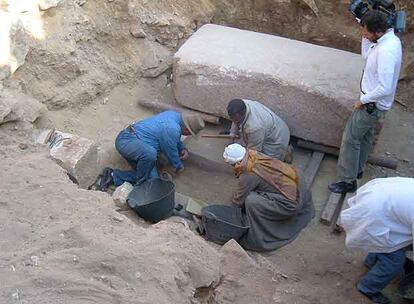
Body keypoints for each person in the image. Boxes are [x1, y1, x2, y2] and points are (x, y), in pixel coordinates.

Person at [329, 10, 402, 194]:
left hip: (371, 105)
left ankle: (347, 181)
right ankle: (358, 169)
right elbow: (366, 55)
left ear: (377, 31)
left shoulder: (386, 51)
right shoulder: (386, 41)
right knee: (366, 136)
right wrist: (364, 28)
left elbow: (384, 87)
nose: (363, 34)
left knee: (351, 139)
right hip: (376, 105)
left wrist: (362, 100)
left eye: (365, 31)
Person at [222, 143, 314, 251]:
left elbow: (237, 201)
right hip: (298, 189)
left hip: (290, 204)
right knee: (252, 194)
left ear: (236, 163)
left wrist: (227, 216)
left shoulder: (248, 174)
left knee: (251, 201)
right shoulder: (255, 154)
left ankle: (261, 234)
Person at [340, 177, 414, 304]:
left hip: (381, 196)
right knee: (395, 260)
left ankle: (372, 262)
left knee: (386, 243)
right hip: (377, 212)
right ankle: (368, 287)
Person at [98, 111, 205, 191]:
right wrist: (178, 166)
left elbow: (173, 140)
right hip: (127, 142)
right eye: (189, 133)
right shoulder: (172, 129)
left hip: (136, 141)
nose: (187, 135)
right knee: (152, 179)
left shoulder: (174, 115)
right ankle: (113, 175)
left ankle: (142, 171)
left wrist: (182, 149)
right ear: (186, 129)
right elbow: (171, 149)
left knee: (159, 159)